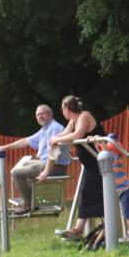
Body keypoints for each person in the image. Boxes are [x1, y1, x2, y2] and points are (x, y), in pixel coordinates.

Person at [48, 95, 106, 241]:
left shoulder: (84, 116)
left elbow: (77, 135)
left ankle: (81, 230)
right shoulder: (73, 120)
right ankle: (79, 230)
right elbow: (65, 134)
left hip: (100, 163)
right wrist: (54, 139)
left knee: (91, 195)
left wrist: (57, 139)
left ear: (67, 109)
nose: (62, 111)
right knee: (87, 195)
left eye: (62, 108)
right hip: (90, 165)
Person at [0, 104, 71, 214]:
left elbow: (53, 153)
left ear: (50, 114)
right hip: (47, 162)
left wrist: (46, 171)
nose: (40, 117)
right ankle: (32, 198)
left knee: (15, 173)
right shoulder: (45, 129)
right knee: (24, 163)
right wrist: (5, 147)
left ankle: (28, 203)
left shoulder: (54, 128)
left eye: (42, 114)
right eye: (37, 115)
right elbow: (26, 141)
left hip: (54, 166)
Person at [90, 135, 129, 238]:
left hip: (126, 191)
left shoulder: (113, 157)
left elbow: (104, 151)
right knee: (128, 215)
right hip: (124, 191)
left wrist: (100, 140)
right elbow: (101, 152)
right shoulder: (110, 157)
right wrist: (95, 141)